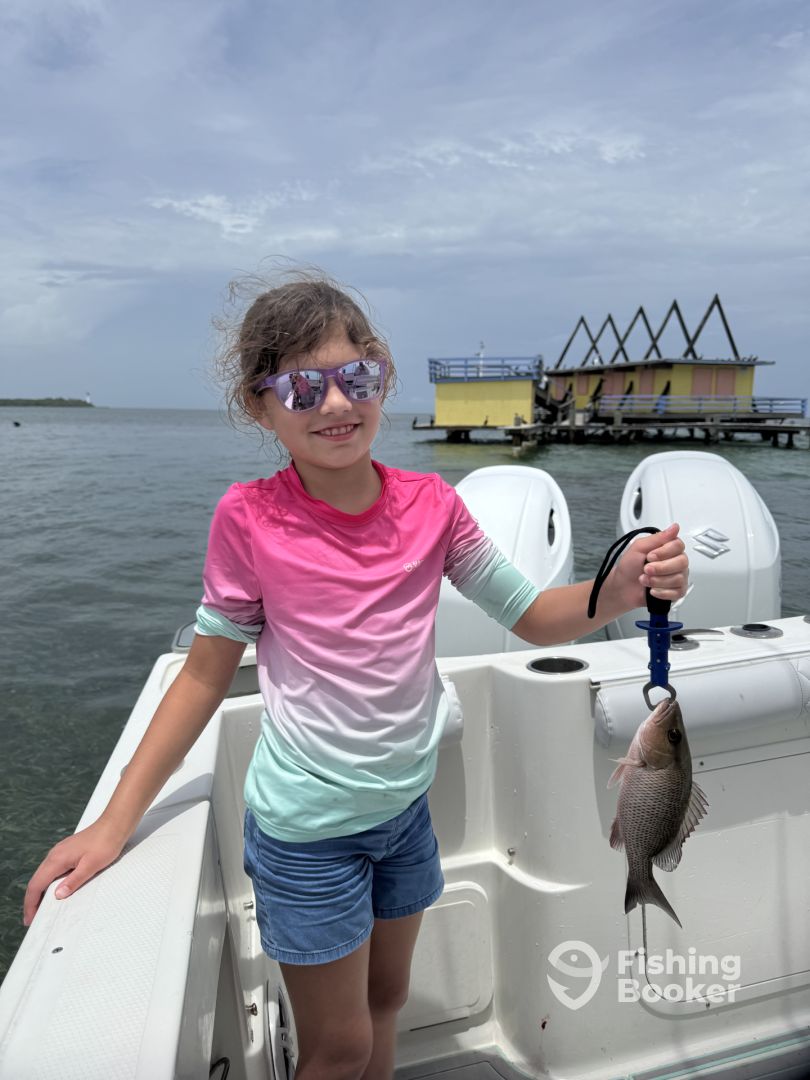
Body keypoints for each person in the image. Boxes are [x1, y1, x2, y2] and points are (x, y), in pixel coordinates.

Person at [23, 272, 689, 1080]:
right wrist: (112, 823)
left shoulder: (433, 506)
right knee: (338, 1048)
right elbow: (201, 678)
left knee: (387, 1001)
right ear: (261, 406)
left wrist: (618, 590)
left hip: (405, 816)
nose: (336, 404)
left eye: (357, 378)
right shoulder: (249, 518)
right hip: (306, 836)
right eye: (302, 388)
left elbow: (530, 613)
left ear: (383, 378)